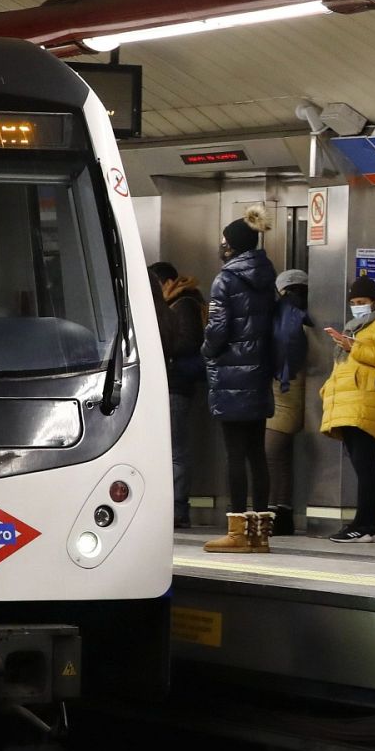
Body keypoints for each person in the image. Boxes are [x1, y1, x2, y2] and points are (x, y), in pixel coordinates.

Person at [201, 206, 278, 554]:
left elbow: (218, 329)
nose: (221, 246)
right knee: (256, 453)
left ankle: (236, 531)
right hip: (259, 372)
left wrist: (206, 351)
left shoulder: (226, 279)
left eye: (224, 241)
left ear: (231, 245)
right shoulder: (266, 276)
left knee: (234, 453)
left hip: (231, 374)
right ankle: (260, 534)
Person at [320, 276, 375, 543]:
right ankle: (369, 524)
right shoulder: (355, 328)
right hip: (349, 403)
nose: (357, 307)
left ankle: (365, 523)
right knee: (360, 466)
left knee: (365, 467)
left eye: (362, 301)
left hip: (366, 402)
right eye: (353, 302)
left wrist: (353, 347)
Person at [149, 261, 206, 529]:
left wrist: (160, 345)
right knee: (169, 450)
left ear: (168, 282)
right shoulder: (173, 303)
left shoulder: (183, 304)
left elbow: (189, 341)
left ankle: (178, 508)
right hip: (169, 384)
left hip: (177, 384)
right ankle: (169, 507)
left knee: (175, 451)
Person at [266, 269, 312, 536]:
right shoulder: (306, 317)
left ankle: (276, 512)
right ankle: (282, 512)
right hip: (297, 392)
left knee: (272, 453)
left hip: (285, 392)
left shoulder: (286, 316)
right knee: (280, 457)